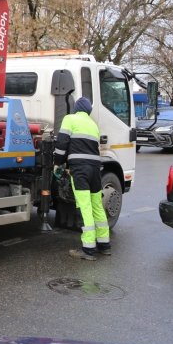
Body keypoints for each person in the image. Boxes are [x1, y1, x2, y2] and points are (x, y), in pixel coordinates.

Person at [54, 97, 111, 260]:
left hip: (80, 169)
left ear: (76, 108)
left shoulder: (69, 119)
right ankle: (104, 245)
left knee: (84, 206)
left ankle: (88, 249)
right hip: (95, 170)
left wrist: (57, 163)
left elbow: (62, 142)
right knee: (97, 206)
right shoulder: (93, 125)